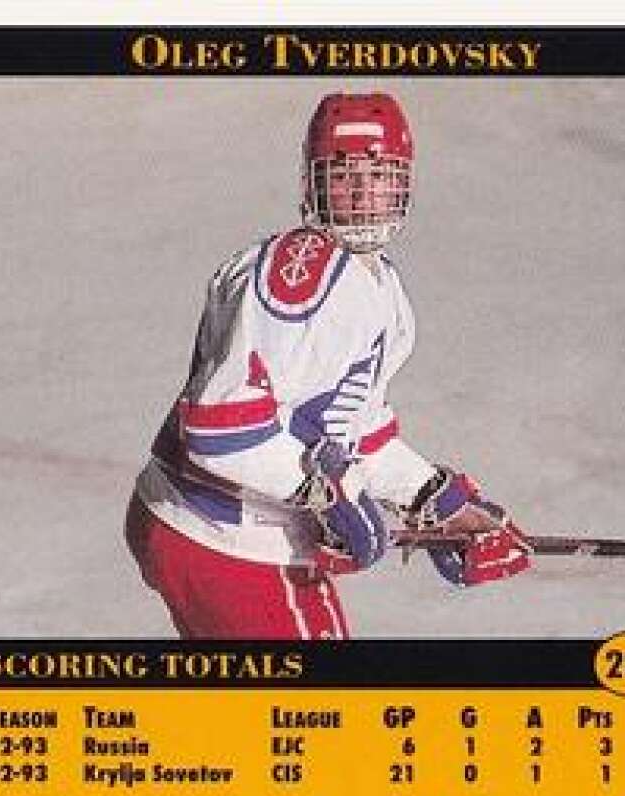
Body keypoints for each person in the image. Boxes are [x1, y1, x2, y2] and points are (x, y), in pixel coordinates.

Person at [125, 92, 530, 639]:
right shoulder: (303, 276)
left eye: (379, 174)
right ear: (311, 183)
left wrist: (434, 498)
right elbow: (218, 432)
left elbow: (356, 430)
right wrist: (326, 493)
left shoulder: (380, 285)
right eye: (343, 175)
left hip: (208, 532)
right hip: (225, 539)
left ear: (403, 183)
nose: (362, 192)